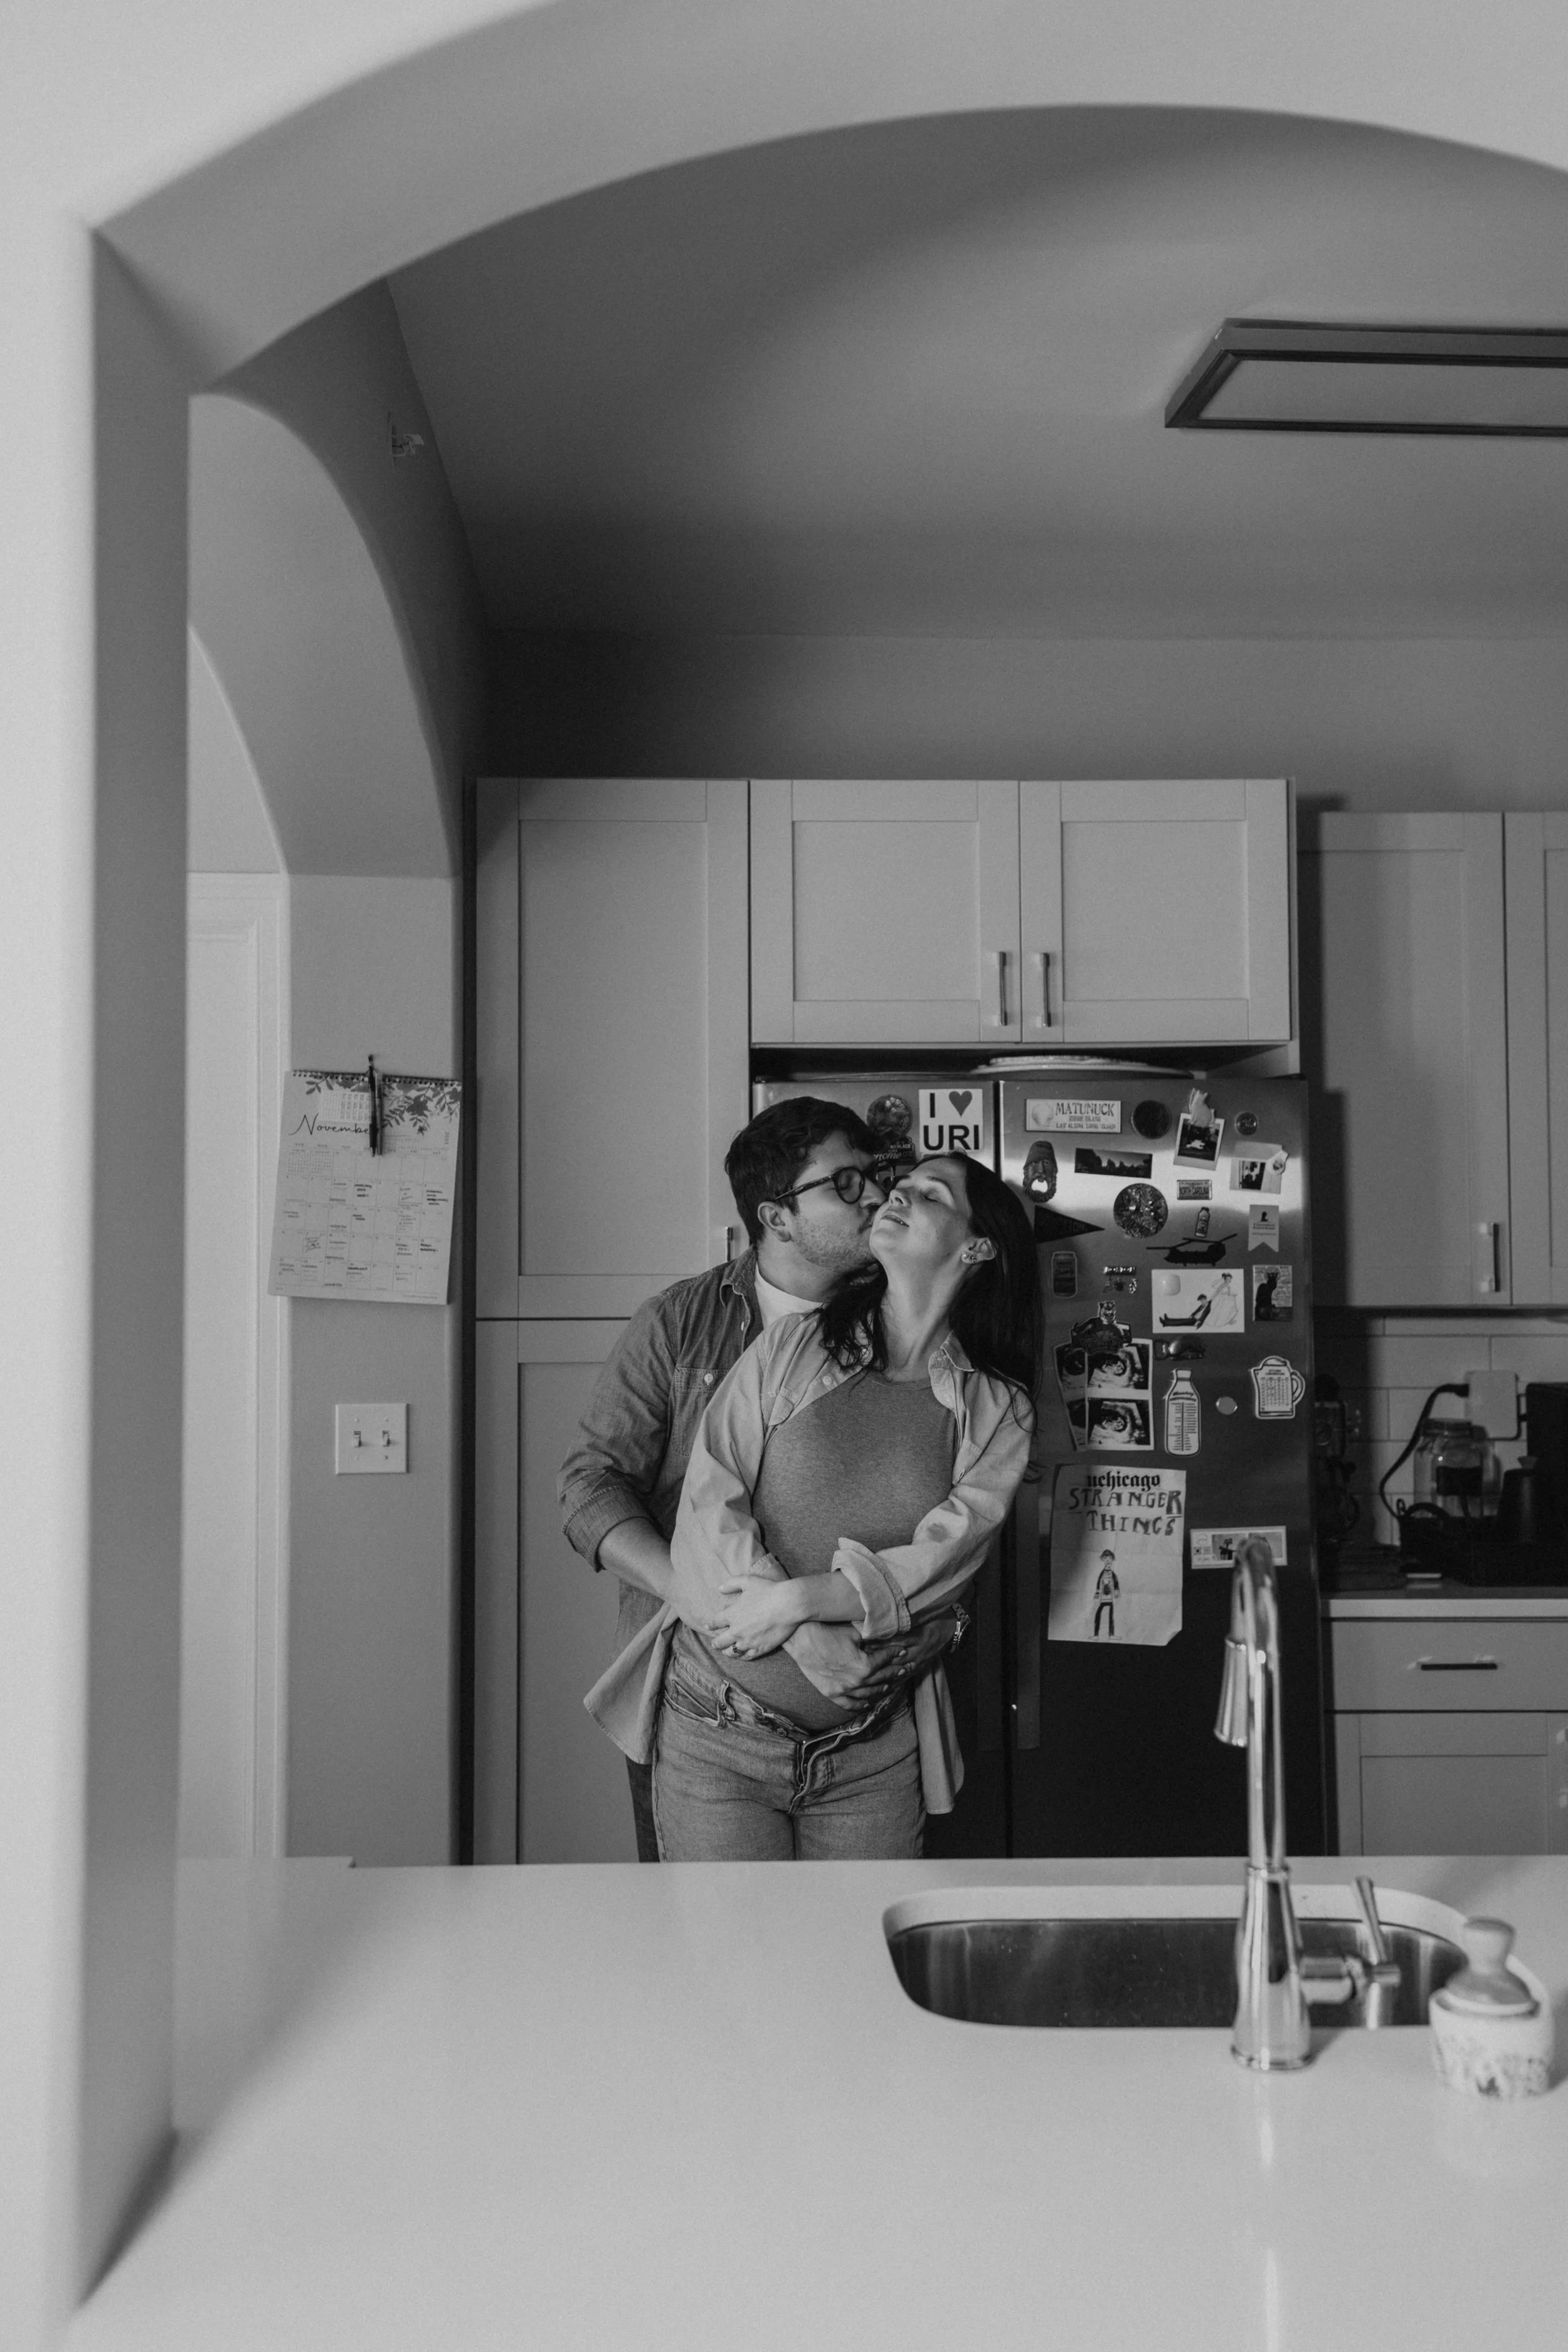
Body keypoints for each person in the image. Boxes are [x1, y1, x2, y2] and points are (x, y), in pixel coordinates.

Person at [586, 1153, 1042, 1861]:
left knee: (857, 1935)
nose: (897, 1195)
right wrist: (796, 1628)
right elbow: (710, 1498)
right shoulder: (793, 1344)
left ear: (978, 1247)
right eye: (901, 1185)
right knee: (723, 1939)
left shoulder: (997, 1411)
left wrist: (798, 1601)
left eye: (930, 1193)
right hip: (718, 1733)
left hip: (872, 1754)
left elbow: (946, 1561)